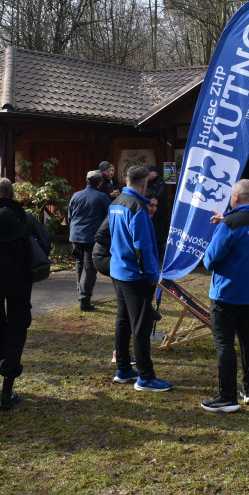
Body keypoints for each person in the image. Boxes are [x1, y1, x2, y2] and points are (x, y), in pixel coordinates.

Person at [0, 178, 51, 410]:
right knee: (17, 330)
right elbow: (46, 243)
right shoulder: (26, 219)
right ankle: (7, 388)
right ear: (14, 196)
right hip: (20, 284)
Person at [200, 179, 249, 412]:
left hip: (226, 292)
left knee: (224, 344)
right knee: (247, 340)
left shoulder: (231, 223)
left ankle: (226, 397)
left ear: (236, 198)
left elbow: (210, 259)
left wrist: (225, 223)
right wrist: (226, 221)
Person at [109, 165, 170, 392]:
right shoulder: (138, 208)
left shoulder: (116, 203)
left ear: (126, 180)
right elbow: (142, 246)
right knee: (141, 326)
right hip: (136, 275)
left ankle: (123, 369)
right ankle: (145, 377)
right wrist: (151, 277)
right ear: (145, 184)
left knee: (123, 321)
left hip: (119, 271)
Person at [68, 170, 111, 312]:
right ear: (100, 183)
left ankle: (81, 295)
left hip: (75, 235)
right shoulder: (102, 197)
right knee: (89, 267)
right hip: (90, 236)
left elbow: (70, 216)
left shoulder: (76, 195)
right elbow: (108, 218)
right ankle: (85, 299)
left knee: (80, 264)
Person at [146, 165, 169, 254]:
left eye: (149, 173)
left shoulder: (160, 182)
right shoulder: (147, 182)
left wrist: (150, 197)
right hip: (149, 212)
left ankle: (159, 253)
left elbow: (160, 195)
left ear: (154, 174)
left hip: (159, 213)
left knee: (159, 233)